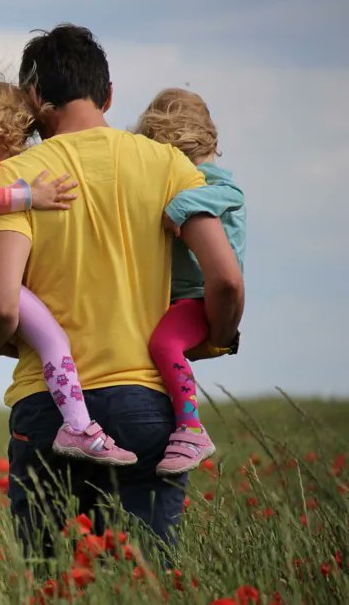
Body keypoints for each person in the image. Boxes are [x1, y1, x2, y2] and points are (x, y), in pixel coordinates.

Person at [0, 24, 244, 553]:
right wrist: (216, 336)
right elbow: (227, 278)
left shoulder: (16, 178)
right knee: (143, 579)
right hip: (146, 404)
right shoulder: (169, 165)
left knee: (52, 583)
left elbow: (1, 306)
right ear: (109, 95)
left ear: (34, 99)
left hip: (48, 409)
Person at [0, 76, 136, 465]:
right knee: (55, 341)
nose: (23, 146)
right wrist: (34, 196)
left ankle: (66, 408)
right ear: (4, 126)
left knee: (35, 341)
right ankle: (78, 427)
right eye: (23, 134)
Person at [137, 88, 246, 475]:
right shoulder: (190, 177)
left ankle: (191, 427)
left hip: (200, 297)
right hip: (182, 297)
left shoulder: (210, 180)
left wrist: (179, 207)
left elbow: (229, 194)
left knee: (164, 343)